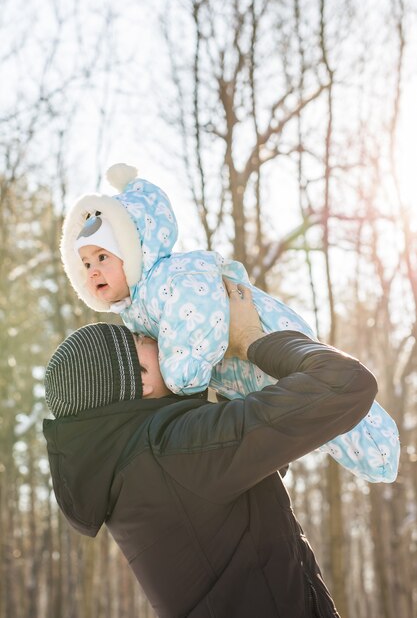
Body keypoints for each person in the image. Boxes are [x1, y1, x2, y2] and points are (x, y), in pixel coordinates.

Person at [43, 279, 378, 618]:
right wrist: (252, 341)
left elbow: (255, 482)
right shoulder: (173, 450)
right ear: (138, 379)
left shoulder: (137, 468)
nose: (150, 333)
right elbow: (346, 382)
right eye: (136, 339)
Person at [59, 163, 399, 483]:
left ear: (135, 250)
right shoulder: (135, 308)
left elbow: (197, 322)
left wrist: (183, 374)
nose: (94, 271)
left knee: (337, 412)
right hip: (237, 372)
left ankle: (383, 453)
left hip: (264, 337)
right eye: (86, 264)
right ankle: (375, 457)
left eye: (103, 257)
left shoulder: (172, 277)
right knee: (316, 422)